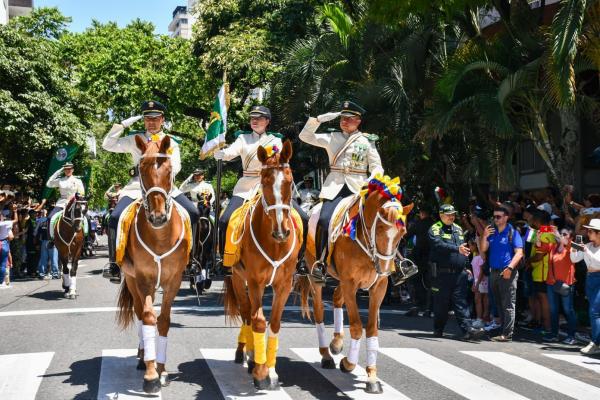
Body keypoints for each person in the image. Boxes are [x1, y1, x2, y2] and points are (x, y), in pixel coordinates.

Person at [102, 100, 199, 277]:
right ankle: (113, 264)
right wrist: (122, 125)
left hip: (164, 187)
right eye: (148, 119)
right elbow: (107, 145)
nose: (151, 122)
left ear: (162, 120)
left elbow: (176, 166)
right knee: (115, 217)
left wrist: (160, 177)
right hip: (136, 187)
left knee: (193, 213)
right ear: (144, 121)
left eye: (155, 118)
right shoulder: (135, 139)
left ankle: (192, 260)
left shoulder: (171, 142)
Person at [215, 105, 309, 275]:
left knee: (303, 217)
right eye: (252, 118)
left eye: (259, 118)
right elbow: (233, 150)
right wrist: (224, 153)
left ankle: (300, 259)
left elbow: (280, 160)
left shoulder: (275, 141)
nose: (255, 121)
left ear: (267, 121)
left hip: (272, 186)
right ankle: (225, 259)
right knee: (225, 220)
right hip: (246, 187)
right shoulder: (243, 138)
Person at [298, 101, 383, 281]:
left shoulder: (367, 141)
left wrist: (371, 181)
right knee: (323, 220)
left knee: (384, 219)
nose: (344, 121)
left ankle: (394, 262)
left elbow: (377, 167)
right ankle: (321, 262)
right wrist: (319, 119)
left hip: (359, 188)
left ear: (358, 121)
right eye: (343, 118)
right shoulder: (332, 137)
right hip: (335, 188)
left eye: (349, 119)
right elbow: (305, 136)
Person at [429, 204, 484, 340]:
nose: (451, 217)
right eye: (448, 215)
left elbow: (464, 249)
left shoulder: (458, 229)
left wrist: (467, 266)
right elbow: (438, 245)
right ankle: (438, 329)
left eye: (453, 214)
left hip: (459, 273)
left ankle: (468, 330)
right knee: (441, 304)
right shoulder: (435, 228)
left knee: (461, 302)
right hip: (442, 274)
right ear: (441, 215)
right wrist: (456, 249)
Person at [480, 205, 524, 342]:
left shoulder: (512, 232)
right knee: (498, 303)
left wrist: (509, 268)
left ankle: (507, 334)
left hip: (507, 271)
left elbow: (519, 253)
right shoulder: (492, 232)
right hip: (494, 271)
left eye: (498, 217)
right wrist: (484, 236)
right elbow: (483, 249)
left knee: (508, 304)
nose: (495, 219)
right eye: (494, 217)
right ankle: (503, 330)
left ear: (506, 217)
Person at [570, 218, 600, 356]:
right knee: (594, 311)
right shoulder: (588, 245)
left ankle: (596, 342)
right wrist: (574, 248)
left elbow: (598, 262)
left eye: (590, 231)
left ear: (598, 233)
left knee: (594, 312)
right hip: (590, 278)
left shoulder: (588, 247)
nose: (588, 233)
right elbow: (574, 259)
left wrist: (585, 250)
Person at [546, 227, 577, 344]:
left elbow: (570, 247)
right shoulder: (553, 246)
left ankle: (572, 336)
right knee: (553, 310)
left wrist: (560, 238)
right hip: (552, 282)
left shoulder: (572, 247)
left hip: (566, 283)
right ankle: (554, 334)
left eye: (565, 234)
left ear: (571, 237)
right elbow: (541, 247)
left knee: (568, 310)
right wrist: (538, 238)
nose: (562, 236)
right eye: (561, 234)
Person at [407, 205, 435, 315]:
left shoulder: (418, 224)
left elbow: (407, 235)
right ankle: (429, 307)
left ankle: (417, 304)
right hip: (432, 256)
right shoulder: (435, 225)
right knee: (431, 282)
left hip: (419, 256)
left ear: (422, 213)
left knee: (415, 280)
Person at [45, 162, 86, 227]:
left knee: (86, 219)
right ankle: (50, 234)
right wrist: (58, 172)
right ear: (64, 170)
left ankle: (88, 234)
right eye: (66, 169)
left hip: (74, 204)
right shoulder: (60, 180)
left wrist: (74, 198)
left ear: (72, 170)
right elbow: (48, 184)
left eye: (69, 169)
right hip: (61, 203)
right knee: (50, 218)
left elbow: (82, 193)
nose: (68, 170)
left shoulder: (78, 181)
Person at [470, 239, 489, 329]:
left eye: (471, 245)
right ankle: (482, 319)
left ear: (475, 246)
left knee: (479, 300)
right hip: (478, 280)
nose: (470, 247)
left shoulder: (480, 257)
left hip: (481, 281)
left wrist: (476, 284)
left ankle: (480, 319)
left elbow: (481, 272)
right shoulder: (476, 256)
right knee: (482, 300)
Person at [0, 214, 14, 288]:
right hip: (3, 242)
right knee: (2, 264)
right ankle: (1, 282)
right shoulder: (5, 223)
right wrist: (15, 211)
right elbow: (16, 220)